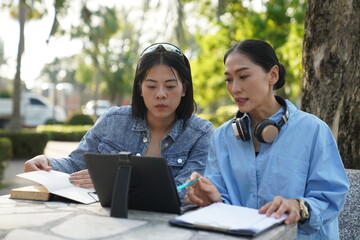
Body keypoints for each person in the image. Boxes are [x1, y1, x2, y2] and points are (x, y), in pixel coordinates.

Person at [184, 39, 349, 239]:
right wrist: (212, 198)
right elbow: (223, 203)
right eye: (228, 79)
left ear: (273, 75)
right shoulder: (222, 137)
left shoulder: (313, 130)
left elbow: (331, 196)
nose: (234, 88)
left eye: (244, 76)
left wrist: (298, 205)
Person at [24, 43, 214, 201]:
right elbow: (77, 165)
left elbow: (187, 191)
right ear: (140, 88)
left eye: (170, 86)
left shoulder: (201, 133)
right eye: (151, 86)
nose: (160, 94)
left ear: (184, 89)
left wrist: (119, 181)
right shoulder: (113, 120)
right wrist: (46, 163)